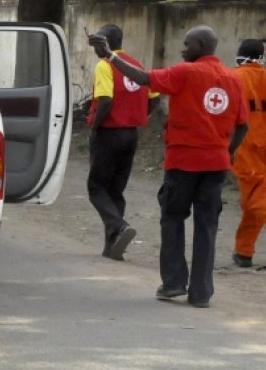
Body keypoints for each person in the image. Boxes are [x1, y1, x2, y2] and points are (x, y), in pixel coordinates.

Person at [89, 25, 248, 308]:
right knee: (207, 225)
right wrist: (229, 152)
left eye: (187, 44)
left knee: (173, 218)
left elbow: (142, 78)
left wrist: (110, 57)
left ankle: (174, 283)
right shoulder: (233, 80)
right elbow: (243, 125)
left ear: (200, 45)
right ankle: (201, 294)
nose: (183, 49)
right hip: (216, 165)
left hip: (183, 162)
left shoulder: (184, 73)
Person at [86, 24, 159, 261]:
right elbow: (155, 98)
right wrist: (138, 115)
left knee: (97, 187)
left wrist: (95, 129)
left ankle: (118, 226)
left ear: (104, 43)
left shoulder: (105, 65)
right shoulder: (136, 65)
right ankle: (113, 247)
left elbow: (105, 101)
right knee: (116, 189)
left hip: (110, 134)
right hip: (131, 134)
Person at [230, 39, 266, 268]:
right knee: (255, 203)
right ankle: (243, 252)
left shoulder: (232, 78)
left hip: (244, 148)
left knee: (253, 202)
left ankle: (244, 252)